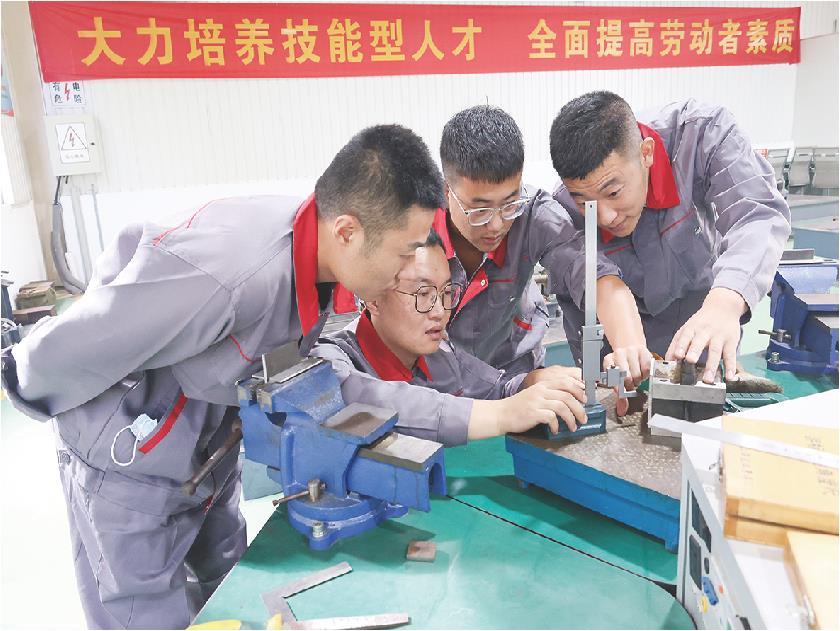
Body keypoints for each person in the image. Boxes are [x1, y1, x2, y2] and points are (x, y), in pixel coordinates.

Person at [1, 125, 444, 629]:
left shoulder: (316, 256)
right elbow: (88, 336)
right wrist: (20, 377)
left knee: (228, 591)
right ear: (348, 232)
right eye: (405, 252)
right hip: (129, 465)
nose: (408, 269)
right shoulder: (229, 274)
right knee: (143, 614)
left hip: (207, 453)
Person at [549, 91, 791, 387]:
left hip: (700, 323)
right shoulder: (562, 207)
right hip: (615, 345)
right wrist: (623, 349)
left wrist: (725, 303)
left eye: (613, 193)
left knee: (705, 393)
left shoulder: (701, 135)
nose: (606, 216)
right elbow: (595, 278)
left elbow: (756, 213)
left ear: (646, 153)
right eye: (584, 202)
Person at [434, 105, 652, 393]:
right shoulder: (414, 234)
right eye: (480, 210)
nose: (497, 225)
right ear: (447, 192)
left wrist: (628, 345)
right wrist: (515, 386)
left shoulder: (533, 213)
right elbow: (420, 353)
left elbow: (589, 271)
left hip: (516, 372)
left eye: (509, 204)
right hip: (441, 390)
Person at [313, 231, 589, 443]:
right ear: (372, 297)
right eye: (423, 294)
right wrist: (503, 415)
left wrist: (533, 382)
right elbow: (373, 400)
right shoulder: (329, 361)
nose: (439, 311)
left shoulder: (440, 355)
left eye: (446, 292)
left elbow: (497, 391)